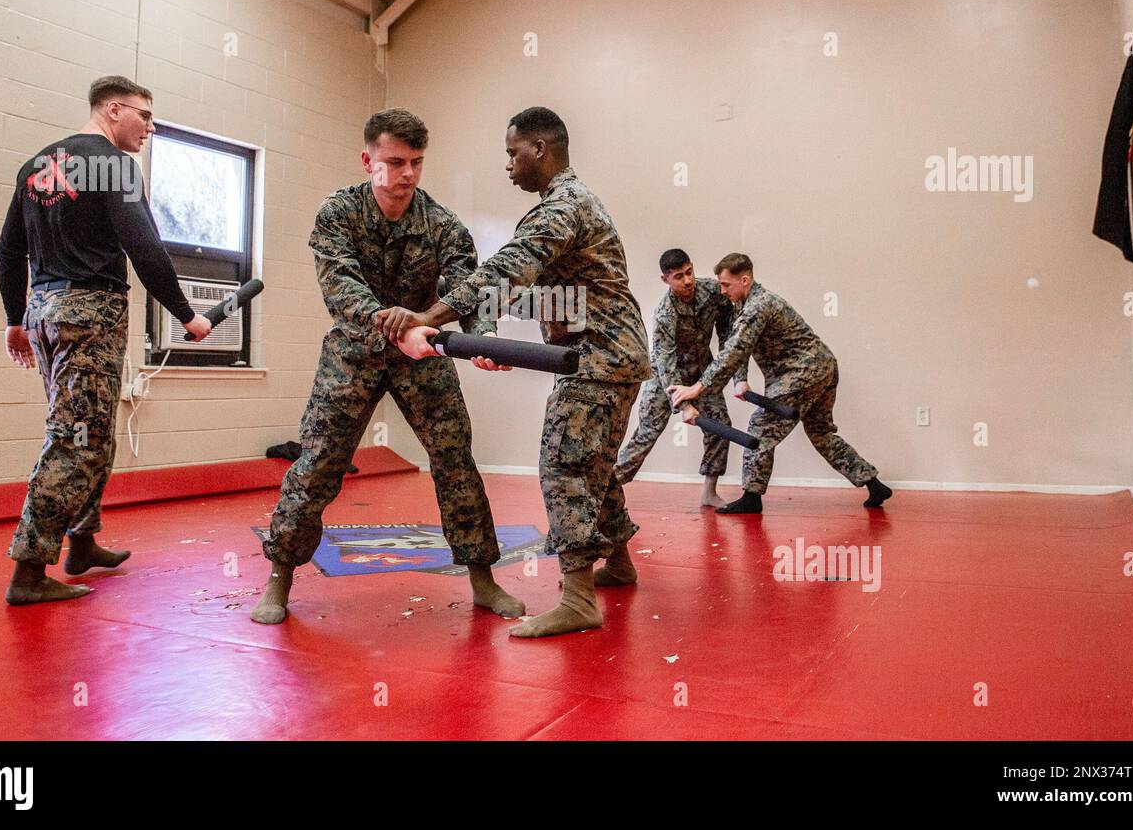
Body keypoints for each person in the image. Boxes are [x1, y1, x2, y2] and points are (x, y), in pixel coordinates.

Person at [378, 107, 650, 639]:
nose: (508, 165)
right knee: (592, 463)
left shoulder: (560, 208)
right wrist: (491, 329)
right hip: (607, 351)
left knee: (565, 466)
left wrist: (429, 317)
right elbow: (554, 293)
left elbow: (505, 270)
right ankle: (617, 562)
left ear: (540, 149)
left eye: (512, 153)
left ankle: (578, 601)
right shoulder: (574, 202)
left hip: (598, 358)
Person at [250, 109, 522, 625]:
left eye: (417, 162)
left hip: (424, 358)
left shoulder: (442, 224)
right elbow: (339, 284)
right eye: (395, 161)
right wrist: (387, 318)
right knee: (317, 465)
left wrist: (482, 338)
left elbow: (469, 287)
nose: (408, 174)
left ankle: (483, 580)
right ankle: (279, 578)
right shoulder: (339, 213)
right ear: (367, 159)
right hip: (352, 354)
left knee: (455, 460)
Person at [0, 74, 213, 605]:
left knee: (91, 433)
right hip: (89, 313)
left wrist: (15, 319)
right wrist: (186, 316)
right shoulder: (115, 166)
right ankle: (27, 570)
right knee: (75, 439)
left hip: (45, 311)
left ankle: (83, 543)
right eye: (145, 115)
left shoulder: (35, 168)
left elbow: (8, 252)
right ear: (114, 110)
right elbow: (144, 246)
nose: (150, 128)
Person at [668, 253, 892, 514]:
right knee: (821, 433)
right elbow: (736, 344)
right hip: (823, 366)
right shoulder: (744, 304)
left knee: (759, 429)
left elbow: (733, 353)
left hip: (802, 372)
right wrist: (741, 380)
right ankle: (874, 484)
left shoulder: (758, 307)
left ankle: (751, 498)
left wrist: (696, 388)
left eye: (726, 284)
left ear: (745, 280)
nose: (722, 290)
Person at [614, 248, 743, 508]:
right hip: (665, 379)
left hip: (701, 373)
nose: (686, 280)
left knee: (720, 426)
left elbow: (729, 323)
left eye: (689, 272)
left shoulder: (711, 291)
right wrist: (684, 405)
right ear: (666, 280)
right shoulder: (665, 314)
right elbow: (666, 363)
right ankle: (610, 488)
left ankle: (709, 492)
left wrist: (728, 366)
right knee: (647, 433)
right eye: (678, 276)